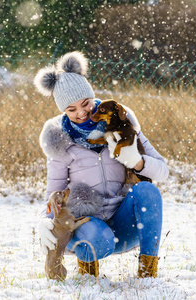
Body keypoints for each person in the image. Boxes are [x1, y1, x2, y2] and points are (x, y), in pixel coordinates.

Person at [34, 51, 169, 278]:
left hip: (124, 224)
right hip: (89, 226)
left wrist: (136, 162)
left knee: (148, 190)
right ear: (63, 110)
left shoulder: (121, 122)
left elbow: (163, 171)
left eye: (85, 103)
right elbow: (53, 193)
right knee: (98, 238)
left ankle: (148, 272)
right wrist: (44, 221)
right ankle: (88, 266)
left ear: (92, 96)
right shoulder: (58, 139)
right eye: (71, 109)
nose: (81, 113)